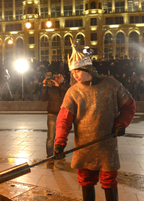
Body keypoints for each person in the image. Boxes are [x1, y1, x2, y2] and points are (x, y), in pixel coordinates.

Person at [54, 39, 136, 201]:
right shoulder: (73, 92)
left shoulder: (112, 85)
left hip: (107, 145)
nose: (74, 75)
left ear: (87, 68)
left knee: (109, 180)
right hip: (85, 147)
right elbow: (64, 120)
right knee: (86, 180)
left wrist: (121, 124)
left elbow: (129, 106)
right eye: (72, 73)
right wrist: (59, 143)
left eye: (77, 71)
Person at [41, 71, 69, 161]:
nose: (56, 78)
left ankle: (59, 153)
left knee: (61, 136)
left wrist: (59, 85)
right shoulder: (51, 87)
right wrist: (44, 86)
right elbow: (43, 99)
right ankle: (49, 155)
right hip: (52, 113)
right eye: (55, 77)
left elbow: (68, 92)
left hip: (62, 114)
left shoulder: (65, 86)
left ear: (63, 78)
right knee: (50, 137)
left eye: (59, 77)